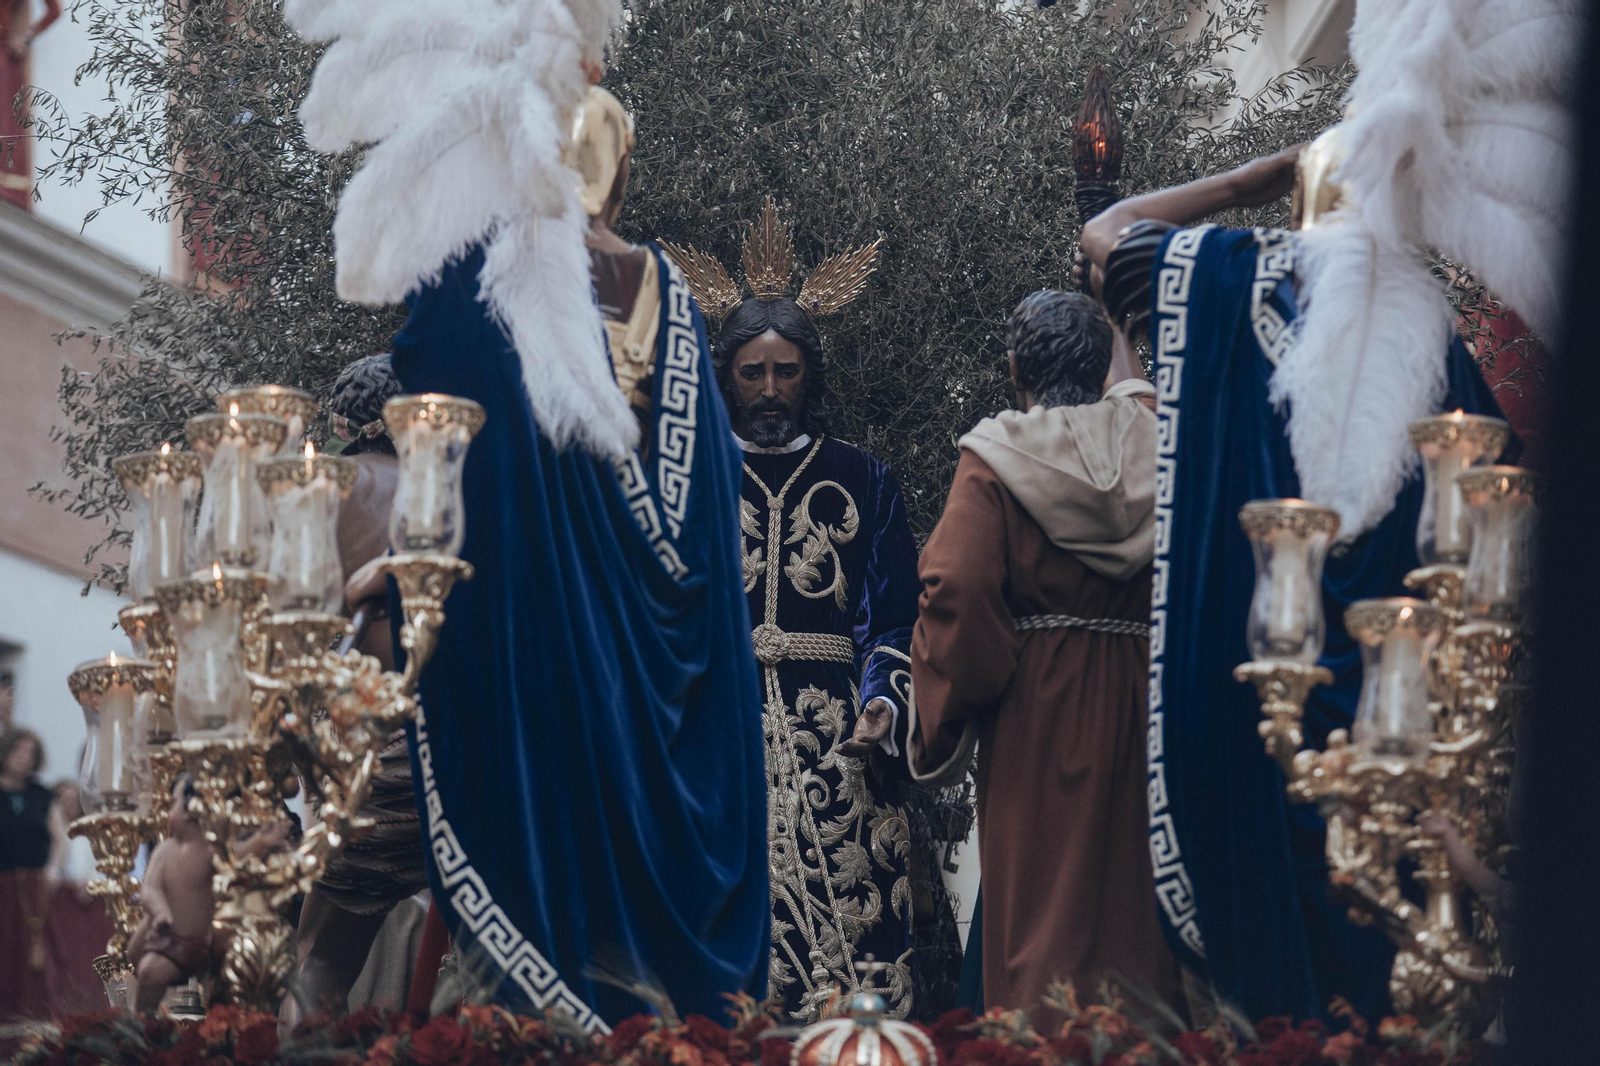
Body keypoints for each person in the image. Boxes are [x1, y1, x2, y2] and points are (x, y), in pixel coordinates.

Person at [1075, 144, 1516, 1023]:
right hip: (1408, 735)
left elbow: (1107, 232)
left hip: (1260, 710)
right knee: (1396, 983)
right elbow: (1496, 551)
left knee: (1280, 1005)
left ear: (1296, 212)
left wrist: (1257, 175)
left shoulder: (1227, 286)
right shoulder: (1446, 357)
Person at [375, 84, 769, 1029]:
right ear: (620, 169)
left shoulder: (488, 272)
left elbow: (425, 369)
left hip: (546, 631)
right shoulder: (664, 290)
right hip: (666, 653)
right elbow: (700, 502)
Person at [671, 205, 918, 1020]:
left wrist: (884, 703)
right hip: (723, 730)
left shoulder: (865, 479)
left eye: (787, 372)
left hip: (836, 734)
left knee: (851, 941)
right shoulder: (693, 478)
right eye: (753, 373)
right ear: (726, 375)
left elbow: (892, 618)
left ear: (810, 376)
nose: (771, 389)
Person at [908, 290, 1173, 1019]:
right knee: (1133, 905)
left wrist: (969, 689)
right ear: (1098, 368)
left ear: (1017, 367)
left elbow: (956, 585)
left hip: (1040, 708)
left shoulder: (995, 457)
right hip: (1143, 697)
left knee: (1040, 910)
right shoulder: (1160, 444)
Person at [287, 352, 430, 1021]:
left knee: (318, 960)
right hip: (456, 744)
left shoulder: (331, 488)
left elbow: (304, 622)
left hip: (372, 751)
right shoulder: (449, 498)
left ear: (350, 417)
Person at [0, 728, 52, 1021]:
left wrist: (53, 869)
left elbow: (58, 837)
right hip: (2, 884)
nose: (25, 758)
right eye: (19, 750)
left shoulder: (41, 795)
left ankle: (31, 1018)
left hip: (34, 887)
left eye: (31, 752)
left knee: (30, 957)